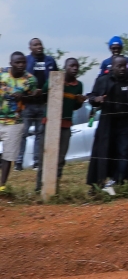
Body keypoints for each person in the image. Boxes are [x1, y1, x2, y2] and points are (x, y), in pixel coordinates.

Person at [87, 56, 128, 192]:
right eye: (119, 66)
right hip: (108, 124)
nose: (122, 69)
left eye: (124, 66)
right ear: (112, 67)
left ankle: (119, 181)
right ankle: (98, 184)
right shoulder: (103, 81)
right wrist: (97, 99)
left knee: (125, 152)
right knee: (104, 152)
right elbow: (91, 97)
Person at [35, 58, 87, 192]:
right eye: (72, 66)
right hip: (49, 123)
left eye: (77, 66)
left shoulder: (78, 85)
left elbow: (75, 106)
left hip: (65, 125)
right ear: (65, 67)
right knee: (44, 156)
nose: (75, 68)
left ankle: (54, 186)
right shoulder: (55, 79)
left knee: (60, 158)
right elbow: (43, 97)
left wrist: (80, 102)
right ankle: (39, 187)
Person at [17, 38, 58, 171]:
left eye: (40, 44)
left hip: (43, 103)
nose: (39, 46)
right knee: (23, 133)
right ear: (30, 48)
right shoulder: (26, 60)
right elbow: (20, 80)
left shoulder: (50, 60)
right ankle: (18, 162)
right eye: (35, 45)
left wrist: (45, 91)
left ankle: (36, 162)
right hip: (28, 103)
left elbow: (56, 79)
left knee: (40, 134)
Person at [0, 52, 39, 192]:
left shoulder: (30, 80)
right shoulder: (2, 74)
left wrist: (23, 97)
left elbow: (33, 99)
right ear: (11, 63)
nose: (21, 65)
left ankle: (2, 186)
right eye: (17, 62)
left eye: (23, 62)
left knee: (8, 155)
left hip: (15, 121)